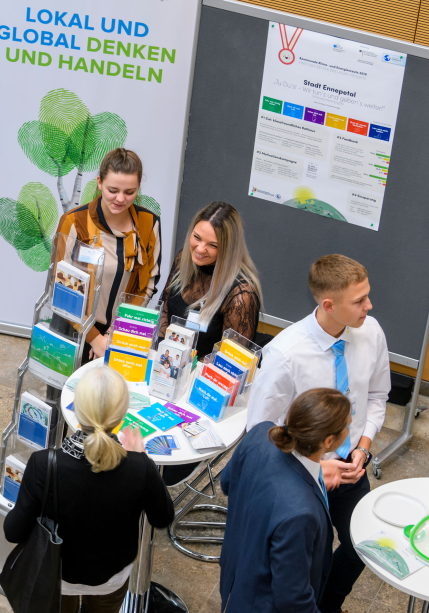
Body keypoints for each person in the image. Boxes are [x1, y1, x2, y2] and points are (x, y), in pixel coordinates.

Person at [247, 254, 391, 613]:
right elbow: (258, 436)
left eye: (367, 295)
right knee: (307, 562)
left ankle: (328, 606)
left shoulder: (370, 332)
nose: (369, 306)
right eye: (359, 301)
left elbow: (376, 396)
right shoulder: (284, 354)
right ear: (329, 305)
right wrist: (312, 470)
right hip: (298, 477)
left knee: (364, 545)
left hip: (349, 467)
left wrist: (363, 445)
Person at [3, 366, 174, 613]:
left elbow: (12, 531)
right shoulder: (140, 467)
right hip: (111, 577)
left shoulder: (44, 464)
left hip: (57, 575)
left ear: (78, 410)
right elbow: (163, 517)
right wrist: (141, 460)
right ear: (121, 414)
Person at [220, 388, 350, 612]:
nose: (350, 428)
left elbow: (227, 483)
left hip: (235, 577)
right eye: (348, 424)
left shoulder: (260, 432)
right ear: (329, 441)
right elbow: (293, 598)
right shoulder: (301, 512)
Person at [54, 148, 162, 361]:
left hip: (121, 333)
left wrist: (115, 333)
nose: (120, 199)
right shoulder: (74, 222)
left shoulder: (149, 224)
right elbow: (61, 286)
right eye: (113, 190)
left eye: (129, 192)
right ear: (99, 183)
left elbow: (147, 284)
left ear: (138, 188)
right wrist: (95, 338)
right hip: (73, 328)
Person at [158, 201, 262, 359]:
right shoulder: (183, 259)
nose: (200, 249)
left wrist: (185, 367)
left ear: (228, 249)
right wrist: (162, 353)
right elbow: (165, 308)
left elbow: (229, 361)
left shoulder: (242, 295)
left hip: (203, 378)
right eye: (196, 237)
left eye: (212, 245)